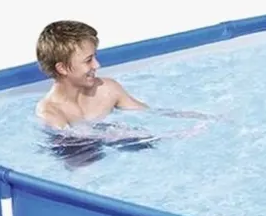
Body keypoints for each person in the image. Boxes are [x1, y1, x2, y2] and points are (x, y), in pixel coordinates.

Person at [34, 20, 215, 137]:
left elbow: (150, 113)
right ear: (62, 68)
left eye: (95, 57)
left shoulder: (107, 90)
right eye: (88, 60)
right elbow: (75, 146)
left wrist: (200, 118)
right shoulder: (50, 113)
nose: (97, 65)